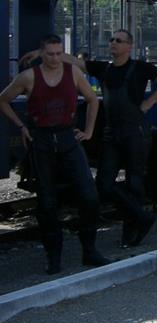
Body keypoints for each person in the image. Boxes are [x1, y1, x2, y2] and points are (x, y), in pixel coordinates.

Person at [24, 29, 157, 247]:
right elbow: (75, 62)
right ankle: (141, 216)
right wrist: (41, 53)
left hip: (135, 132)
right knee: (104, 184)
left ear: (129, 46)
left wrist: (148, 103)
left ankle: (132, 230)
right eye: (112, 39)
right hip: (111, 132)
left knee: (135, 182)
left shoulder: (140, 68)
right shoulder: (104, 68)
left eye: (119, 40)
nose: (113, 43)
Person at [0, 34, 110, 273]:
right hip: (42, 141)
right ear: (42, 54)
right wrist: (21, 126)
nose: (55, 58)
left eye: (59, 53)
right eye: (50, 54)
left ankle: (89, 250)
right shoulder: (29, 77)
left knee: (89, 196)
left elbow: (93, 100)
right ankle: (54, 256)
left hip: (68, 138)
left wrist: (89, 131)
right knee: (47, 203)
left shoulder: (73, 73)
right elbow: (3, 100)